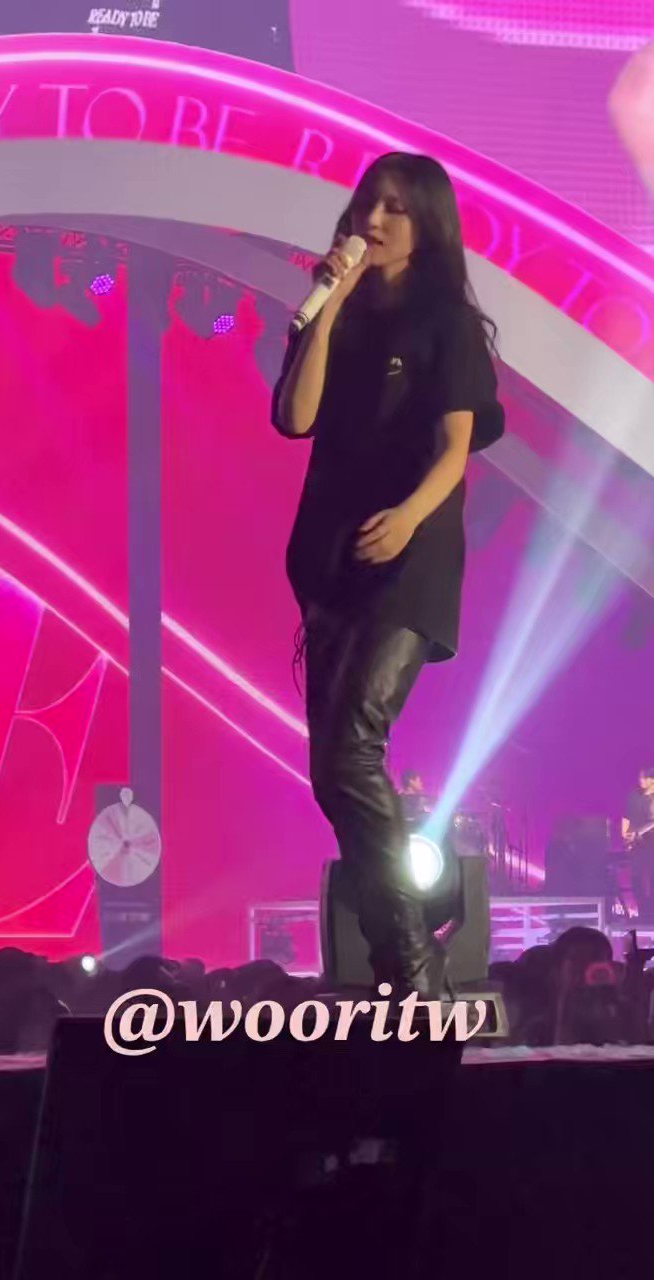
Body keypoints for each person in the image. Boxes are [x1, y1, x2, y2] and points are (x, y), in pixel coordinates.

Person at [272, 153, 504, 996]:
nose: (373, 220)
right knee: (330, 775)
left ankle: (411, 964)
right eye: (369, 203)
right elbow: (294, 418)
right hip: (331, 560)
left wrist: (407, 516)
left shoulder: (447, 323)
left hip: (411, 556)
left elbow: (455, 450)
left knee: (352, 749)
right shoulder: (336, 313)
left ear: (427, 224)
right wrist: (327, 305)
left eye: (396, 209)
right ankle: (395, 955)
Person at [622, 766, 654, 918]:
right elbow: (626, 816)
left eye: (644, 778)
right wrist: (625, 835)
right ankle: (643, 910)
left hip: (651, 845)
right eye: (640, 777)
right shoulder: (633, 796)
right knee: (636, 877)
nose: (640, 780)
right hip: (636, 845)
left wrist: (639, 833)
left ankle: (651, 912)